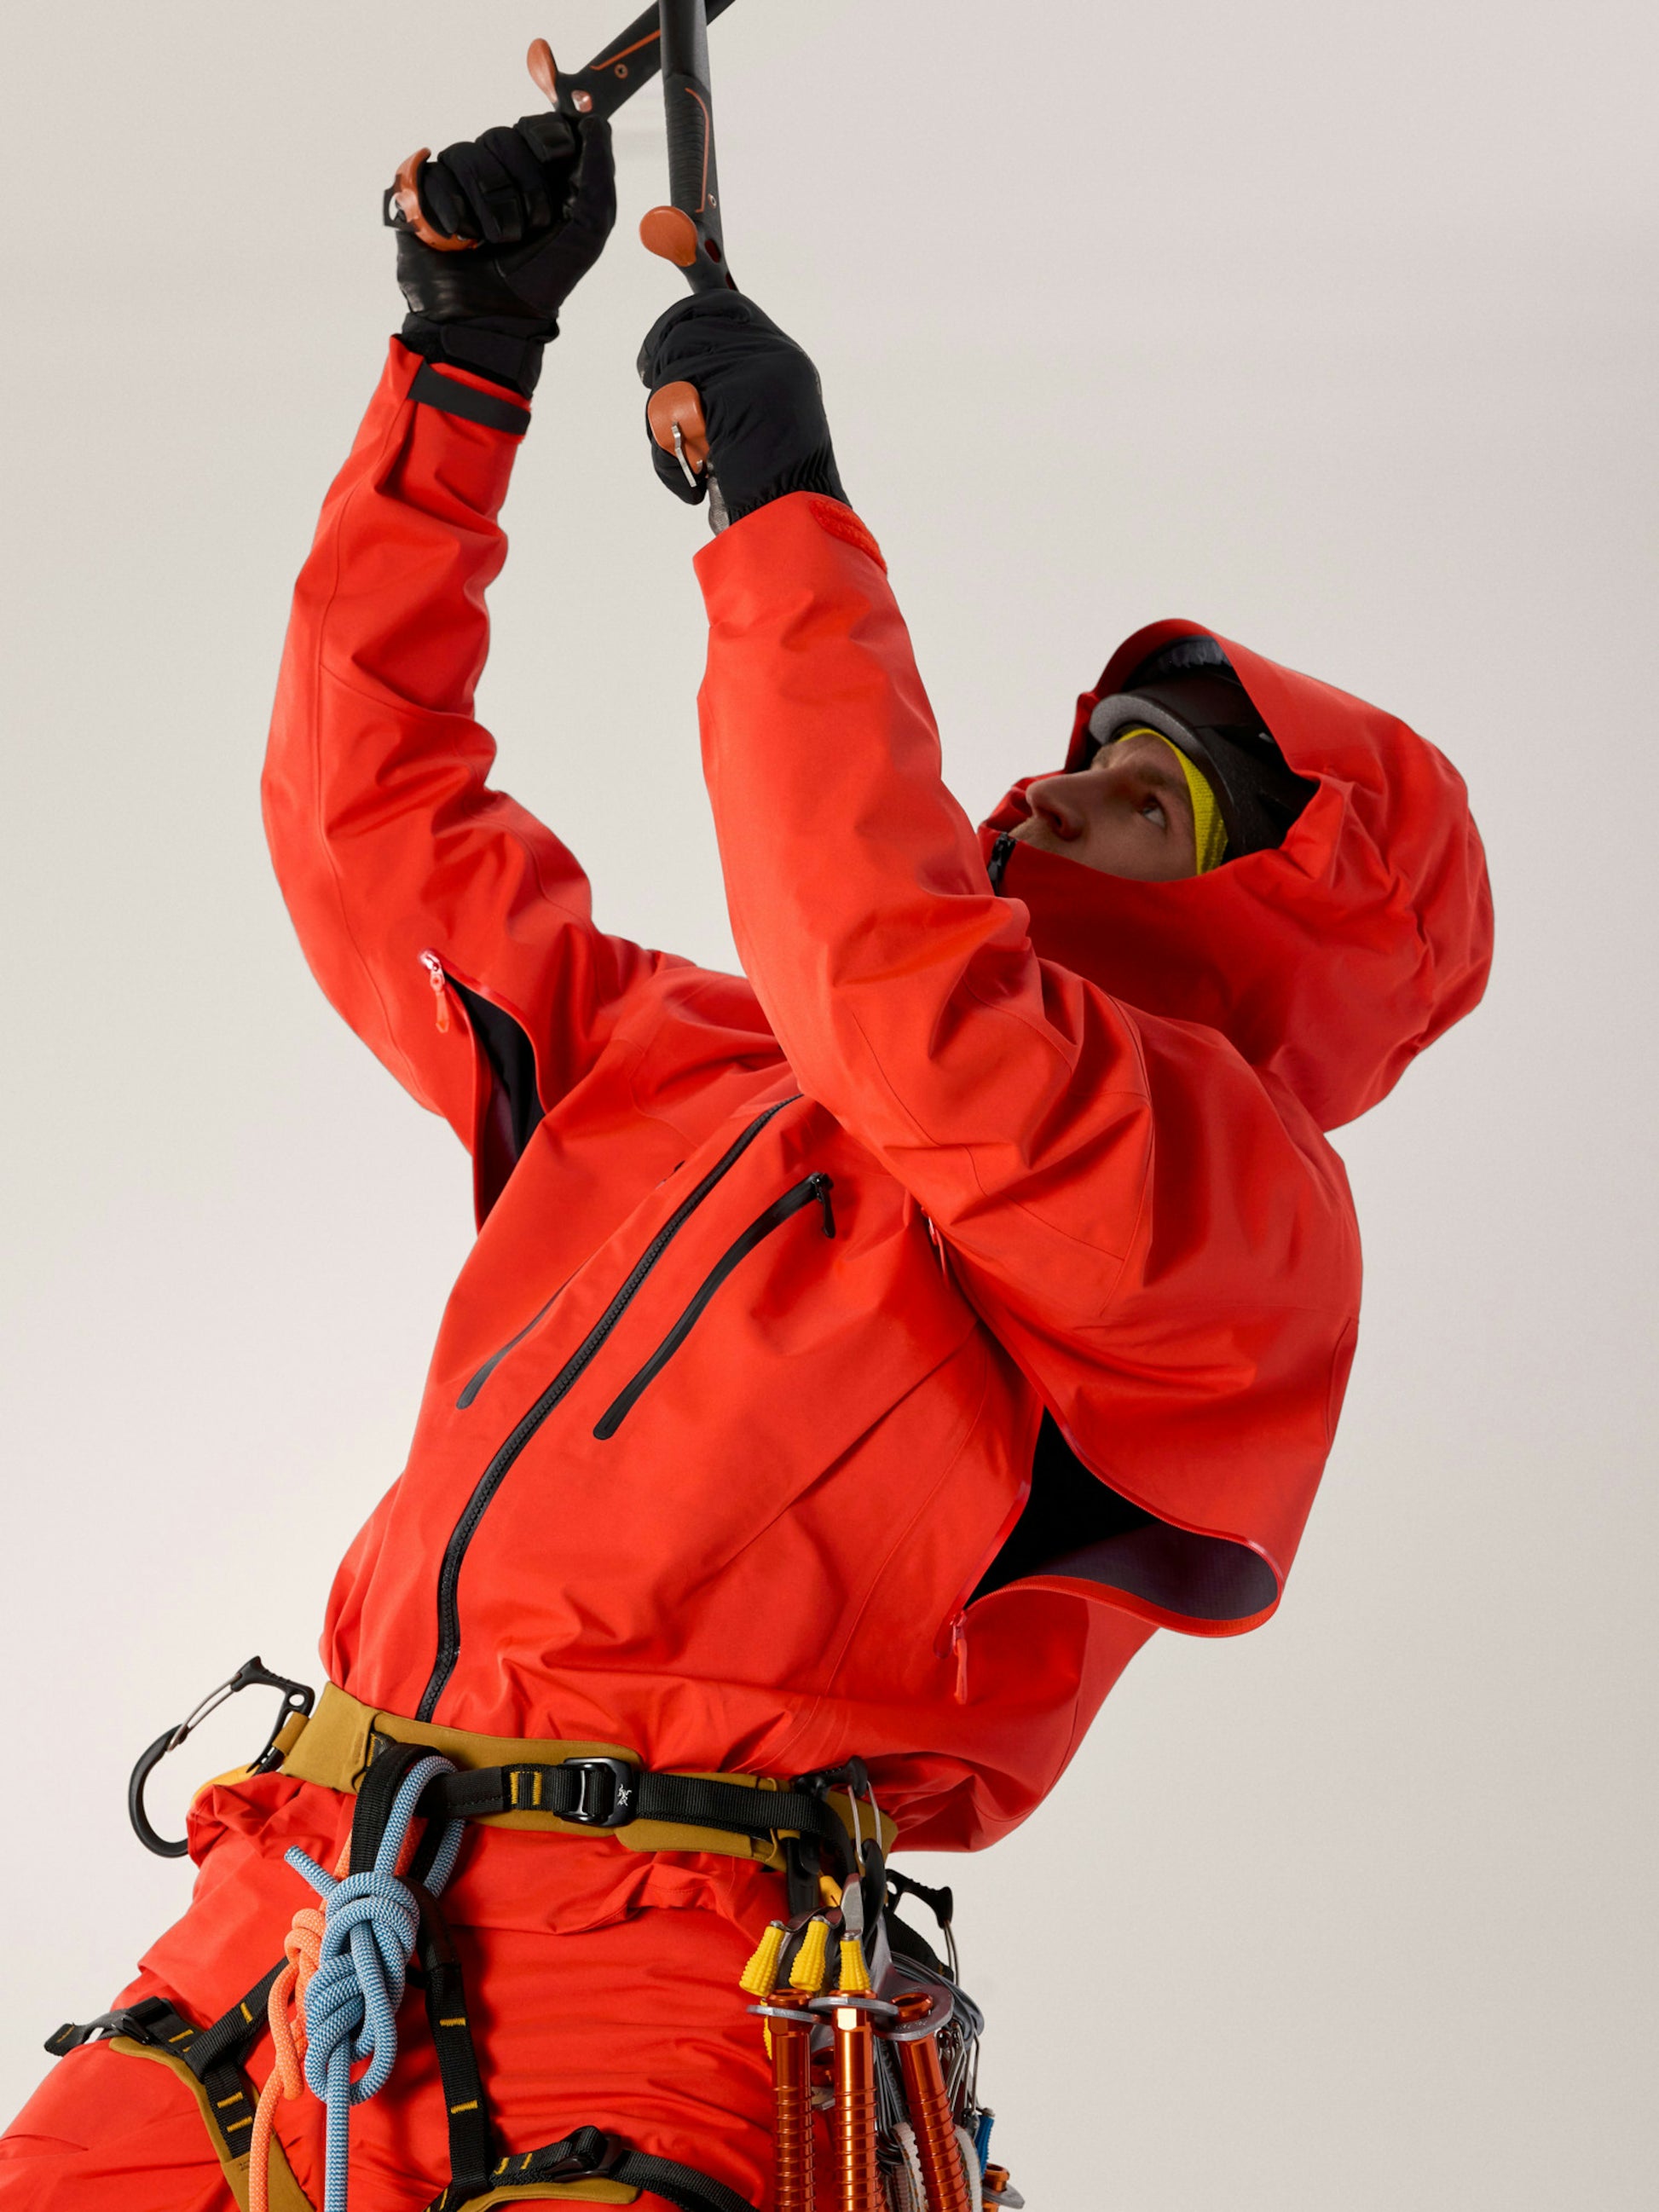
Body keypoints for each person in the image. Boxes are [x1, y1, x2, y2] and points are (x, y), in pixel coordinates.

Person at [1, 89, 1492, 2212]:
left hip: (676, 1977)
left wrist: (785, 520)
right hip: (303, 1899)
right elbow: (370, 826)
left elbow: (902, 982)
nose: (1060, 794)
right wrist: (459, 371)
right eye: (1089, 755)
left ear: (1280, 921)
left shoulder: (1229, 1208)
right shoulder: (695, 1057)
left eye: (1151, 801)